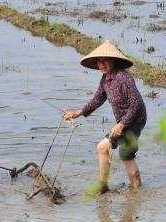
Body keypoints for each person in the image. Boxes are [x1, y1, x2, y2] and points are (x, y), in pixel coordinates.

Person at [63, 40, 147, 192]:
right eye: (98, 61)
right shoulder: (105, 80)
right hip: (125, 120)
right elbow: (97, 99)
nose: (101, 64)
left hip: (135, 119)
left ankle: (112, 189)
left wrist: (121, 125)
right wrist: (77, 113)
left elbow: (136, 104)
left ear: (113, 60)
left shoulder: (123, 78)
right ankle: (131, 192)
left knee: (109, 149)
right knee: (121, 153)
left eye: (105, 60)